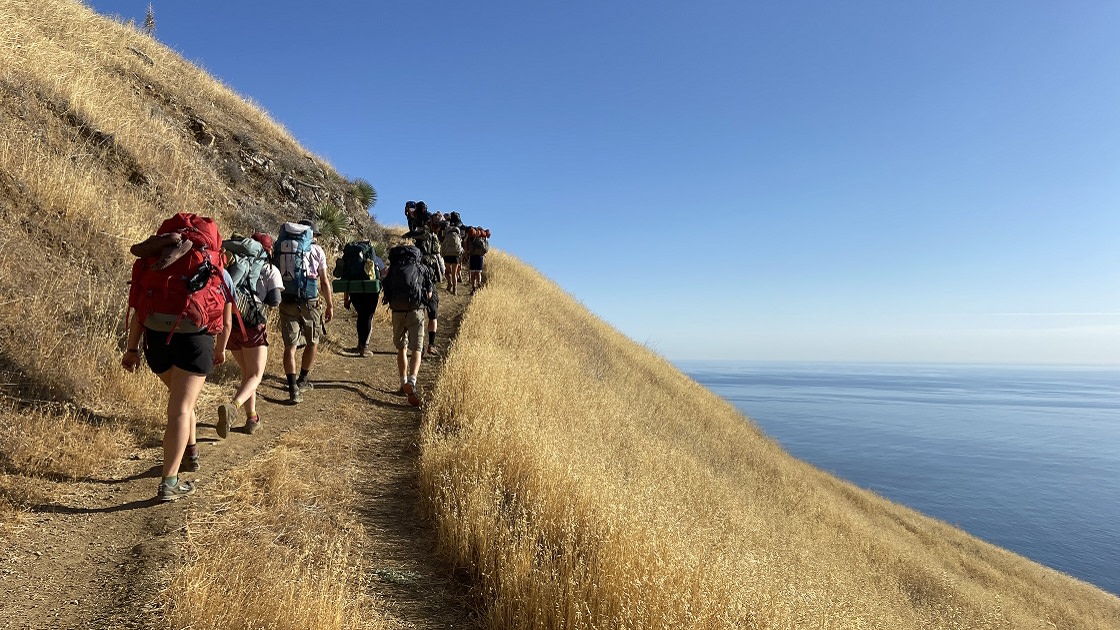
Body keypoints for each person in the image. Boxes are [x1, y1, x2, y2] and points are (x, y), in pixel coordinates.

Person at [122, 214, 232, 502]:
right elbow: (225, 313)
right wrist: (220, 346)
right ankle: (169, 482)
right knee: (182, 408)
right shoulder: (213, 263)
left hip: (155, 339)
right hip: (195, 339)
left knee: (181, 400)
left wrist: (132, 350)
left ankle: (191, 452)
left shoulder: (157, 261)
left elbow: (138, 311)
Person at [217, 232, 283, 435]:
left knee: (247, 374)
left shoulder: (235, 259)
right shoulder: (269, 268)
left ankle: (252, 418)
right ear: (268, 249)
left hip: (231, 320)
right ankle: (233, 408)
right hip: (253, 321)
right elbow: (275, 300)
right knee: (255, 375)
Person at [276, 219, 334, 404]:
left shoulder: (283, 245)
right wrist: (330, 304)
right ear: (313, 235)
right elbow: (324, 281)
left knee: (290, 346)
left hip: (287, 300)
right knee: (312, 341)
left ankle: (293, 388)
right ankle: (303, 379)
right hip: (310, 301)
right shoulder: (317, 251)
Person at [381, 243, 433, 407]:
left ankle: (403, 382)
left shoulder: (392, 268)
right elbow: (429, 292)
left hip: (397, 311)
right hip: (415, 311)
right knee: (417, 348)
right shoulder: (421, 268)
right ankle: (412, 380)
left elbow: (385, 287)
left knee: (401, 348)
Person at [341, 244, 384, 357]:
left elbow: (347, 277)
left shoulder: (352, 261)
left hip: (355, 290)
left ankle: (360, 344)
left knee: (361, 316)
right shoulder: (376, 259)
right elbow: (382, 274)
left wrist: (346, 298)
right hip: (371, 292)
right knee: (368, 317)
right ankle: (365, 347)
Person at [440, 223, 463, 294]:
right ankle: (455, 290)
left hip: (447, 255)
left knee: (447, 272)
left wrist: (442, 254)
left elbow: (443, 245)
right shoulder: (458, 236)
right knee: (454, 274)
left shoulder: (447, 235)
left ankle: (450, 283)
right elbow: (460, 247)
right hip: (455, 256)